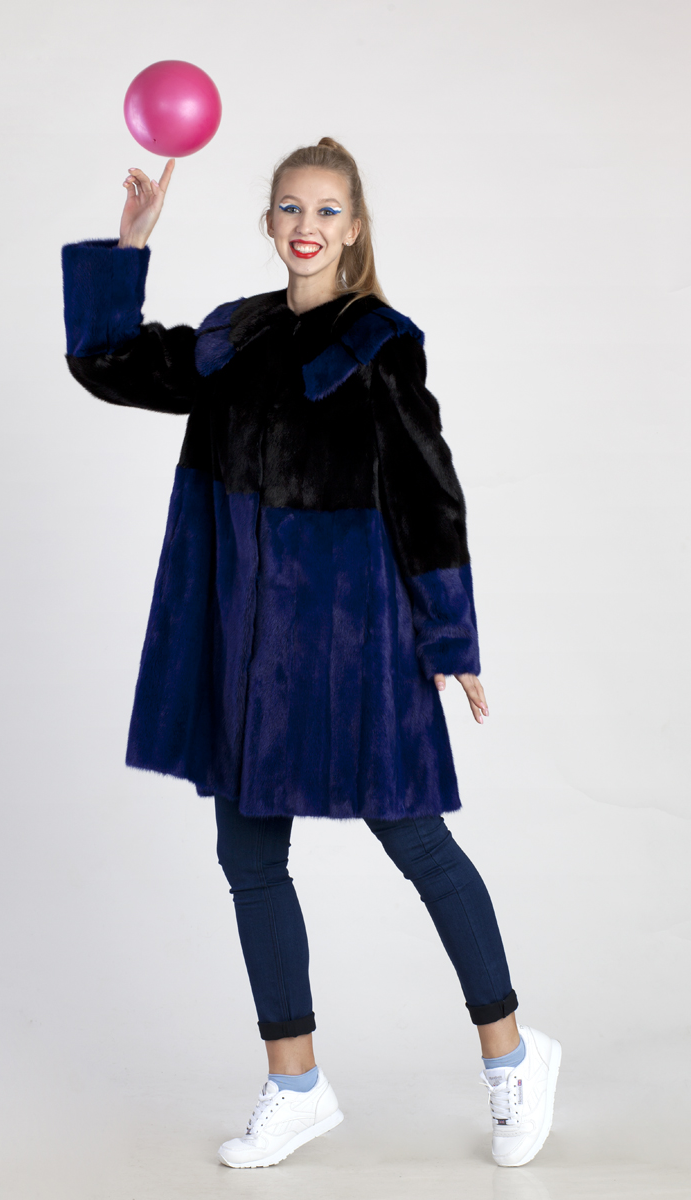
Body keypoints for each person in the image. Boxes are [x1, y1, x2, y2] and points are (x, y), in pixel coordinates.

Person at [61, 137, 561, 1170]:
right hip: (246, 645)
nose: (306, 225)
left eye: (327, 210)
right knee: (249, 860)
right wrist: (130, 246)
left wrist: (449, 636)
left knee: (418, 844)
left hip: (354, 641)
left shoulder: (380, 344)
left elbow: (429, 493)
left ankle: (513, 1056)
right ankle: (296, 1085)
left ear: (355, 228)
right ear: (268, 222)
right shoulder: (233, 337)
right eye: (290, 206)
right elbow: (107, 366)